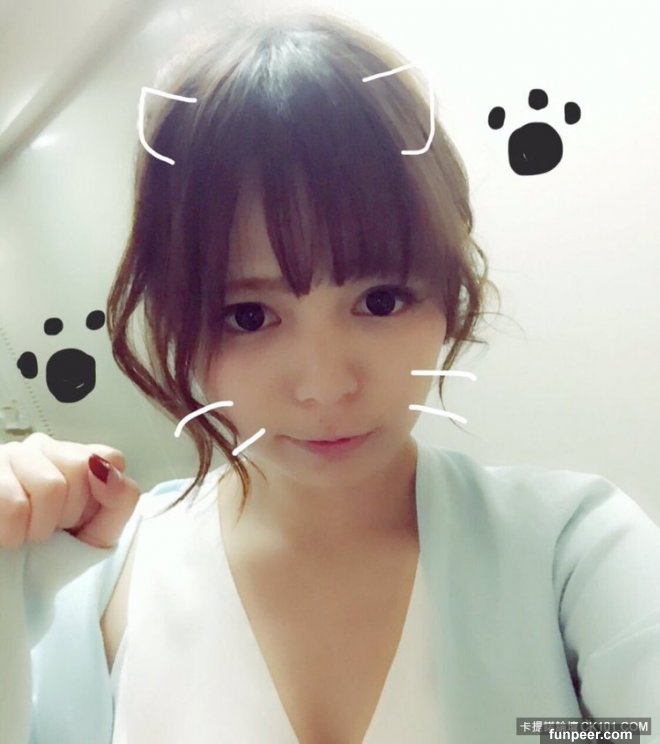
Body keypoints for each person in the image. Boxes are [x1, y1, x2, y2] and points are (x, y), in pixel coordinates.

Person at [1, 9, 659, 744]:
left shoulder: (575, 554)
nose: (324, 387)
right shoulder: (94, 583)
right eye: (248, 315)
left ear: (449, 292)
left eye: (380, 300)